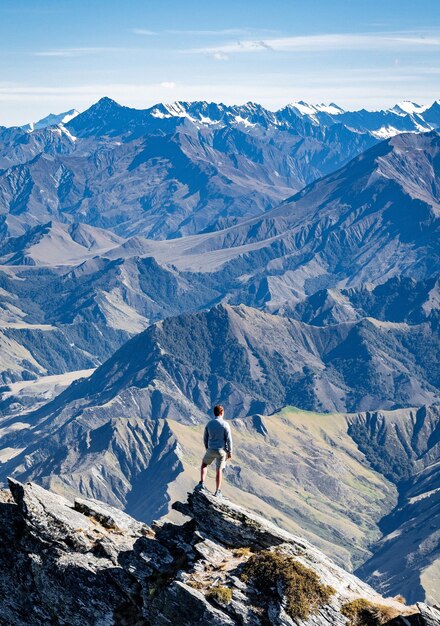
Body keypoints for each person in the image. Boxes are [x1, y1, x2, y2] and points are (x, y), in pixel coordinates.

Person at [195, 404, 233, 497]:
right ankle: (218, 491)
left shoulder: (209, 424)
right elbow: (229, 439)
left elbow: (205, 438)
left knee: (204, 464)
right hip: (221, 451)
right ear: (222, 412)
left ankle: (201, 483)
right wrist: (230, 451)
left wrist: (207, 448)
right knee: (219, 470)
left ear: (214, 413)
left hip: (211, 449)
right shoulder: (225, 424)